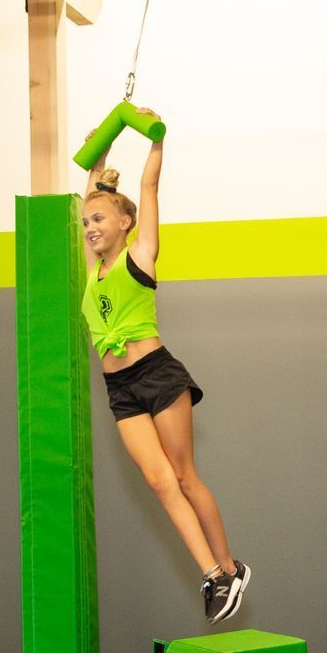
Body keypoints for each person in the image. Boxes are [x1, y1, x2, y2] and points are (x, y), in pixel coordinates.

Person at [83, 135, 250, 623]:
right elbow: (94, 187)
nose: (91, 227)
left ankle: (230, 566)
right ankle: (214, 577)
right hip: (119, 388)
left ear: (125, 222)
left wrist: (155, 140)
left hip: (156, 375)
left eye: (99, 219)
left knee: (182, 474)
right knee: (158, 484)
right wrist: (101, 151)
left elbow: (148, 185)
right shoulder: (92, 271)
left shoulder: (141, 256)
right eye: (87, 221)